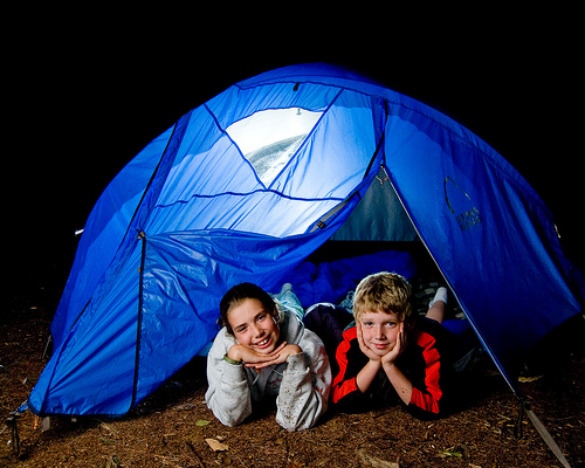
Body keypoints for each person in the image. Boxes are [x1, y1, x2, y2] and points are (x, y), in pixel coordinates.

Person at [331, 271, 460, 420]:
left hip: (430, 329)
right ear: (359, 323)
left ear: (409, 324)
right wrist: (374, 363)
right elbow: (338, 400)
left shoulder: (428, 343)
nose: (379, 335)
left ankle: (440, 299)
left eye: (390, 323)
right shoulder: (350, 340)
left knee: (435, 321)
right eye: (369, 324)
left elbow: (433, 407)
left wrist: (389, 364)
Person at [205, 282, 332, 431]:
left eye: (260, 317)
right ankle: (284, 295)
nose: (257, 332)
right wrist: (233, 358)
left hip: (286, 316)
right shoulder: (223, 350)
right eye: (242, 328)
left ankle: (287, 293)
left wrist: (296, 358)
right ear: (233, 334)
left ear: (274, 313)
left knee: (293, 307)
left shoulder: (309, 345)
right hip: (271, 319)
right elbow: (231, 417)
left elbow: (296, 421)